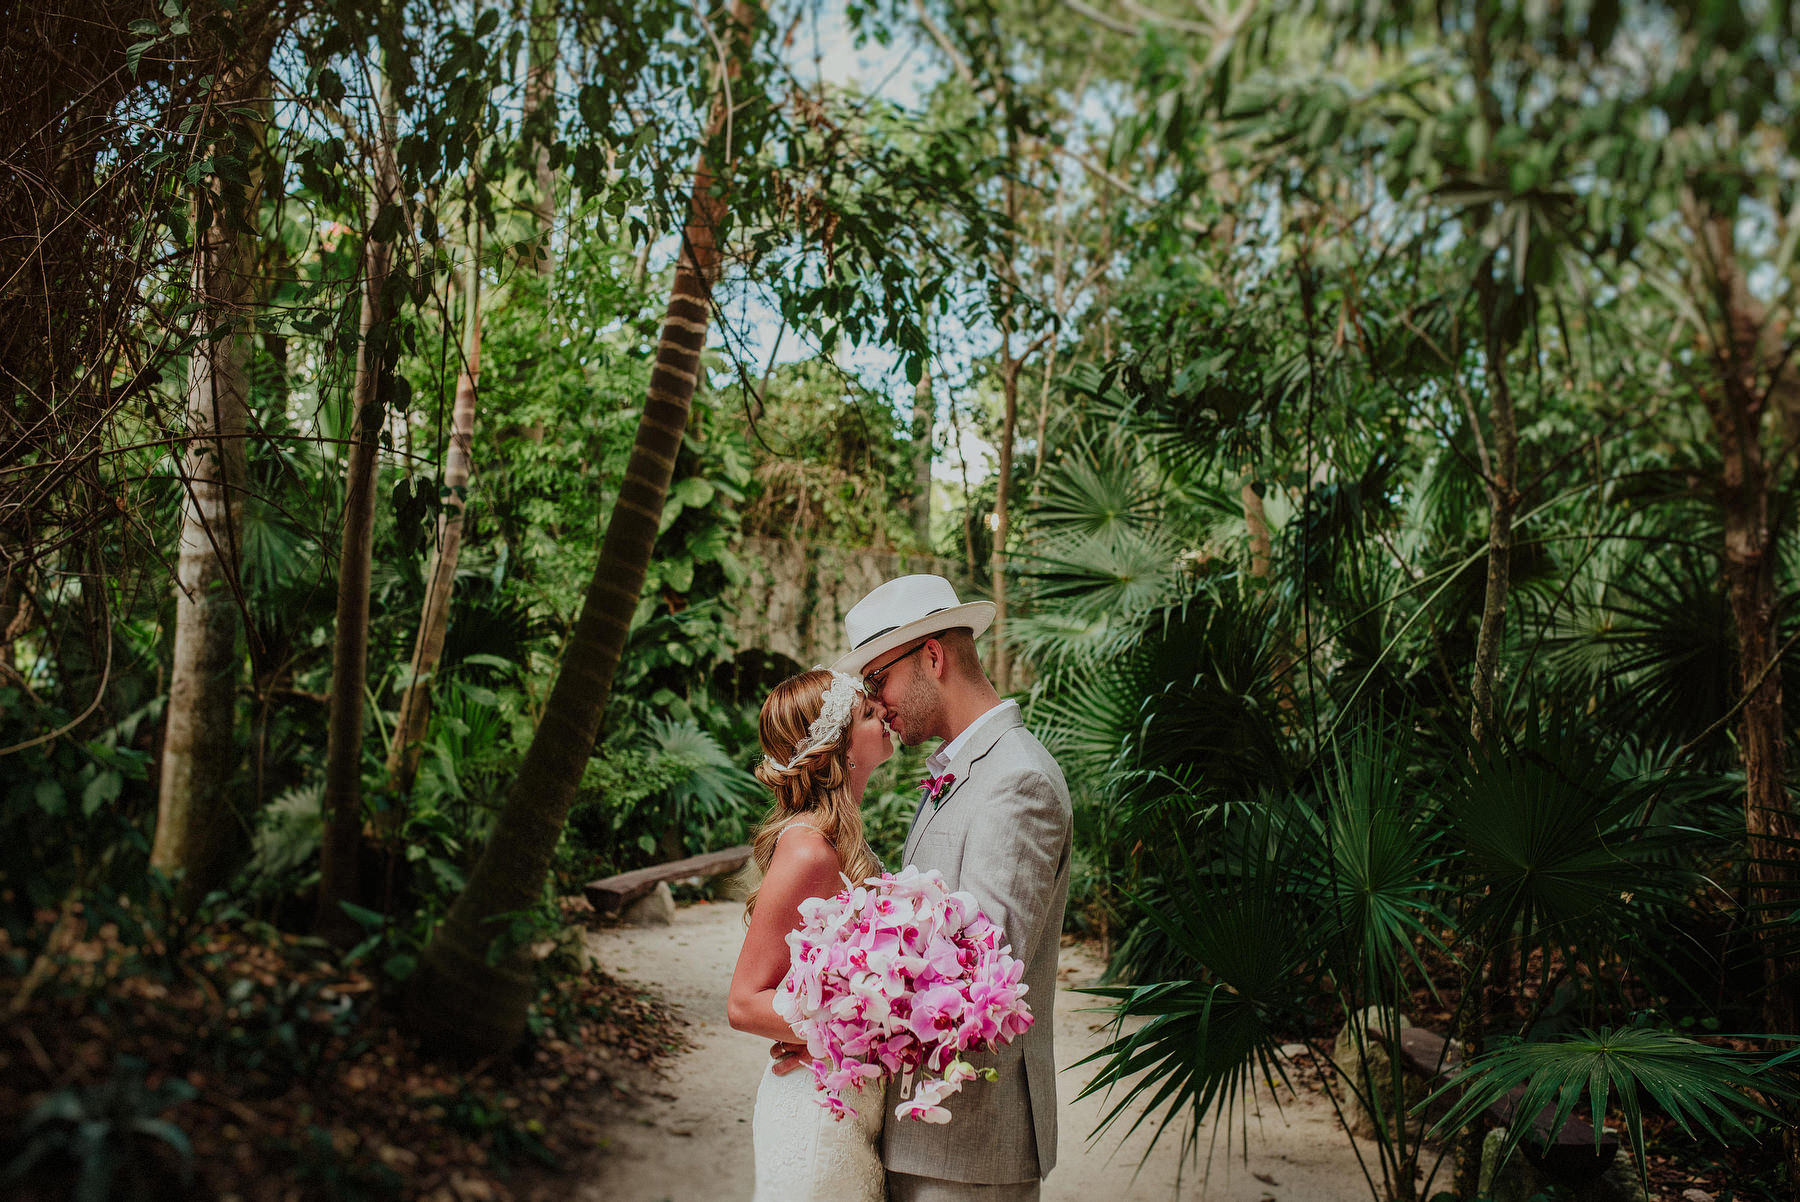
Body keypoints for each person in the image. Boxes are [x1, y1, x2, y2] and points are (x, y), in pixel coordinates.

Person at [774, 574, 1074, 1202]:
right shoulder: (962, 772)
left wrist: (832, 1022)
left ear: (933, 656)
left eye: (878, 680)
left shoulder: (1015, 782)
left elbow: (982, 981)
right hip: (922, 1132)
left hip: (967, 1146)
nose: (876, 705)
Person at [728, 667, 896, 1202]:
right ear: (841, 750)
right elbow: (745, 1003)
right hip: (814, 1112)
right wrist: (850, 1034)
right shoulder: (808, 850)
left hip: (846, 1104)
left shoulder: (845, 845)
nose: (884, 715)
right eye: (869, 714)